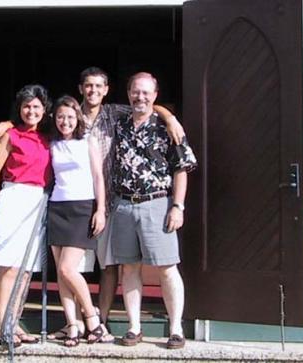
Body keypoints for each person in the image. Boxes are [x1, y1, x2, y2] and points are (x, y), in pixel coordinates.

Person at [0, 67, 185, 341]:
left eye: (98, 87)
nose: (92, 91)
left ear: (106, 90)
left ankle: (98, 320)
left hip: (108, 201)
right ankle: (72, 324)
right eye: (88, 86)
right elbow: (29, 121)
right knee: (61, 268)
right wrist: (6, 125)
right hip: (57, 204)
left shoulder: (116, 113)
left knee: (108, 265)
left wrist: (170, 117)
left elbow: (146, 106)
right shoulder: (66, 115)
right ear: (81, 89)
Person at [111, 72, 197, 349]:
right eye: (136, 91)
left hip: (157, 202)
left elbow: (181, 169)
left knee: (167, 267)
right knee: (129, 268)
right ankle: (134, 327)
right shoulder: (118, 123)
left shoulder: (167, 127)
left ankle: (175, 329)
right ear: (128, 93)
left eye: (146, 92)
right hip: (123, 205)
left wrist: (178, 206)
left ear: (155, 95)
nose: (141, 97)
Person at [0, 84, 52, 347]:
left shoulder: (49, 136)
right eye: (26, 106)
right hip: (13, 198)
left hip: (38, 201)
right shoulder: (11, 135)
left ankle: (14, 320)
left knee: (25, 271)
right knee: (9, 266)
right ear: (19, 109)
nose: (31, 111)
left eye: (36, 106)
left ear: (44, 110)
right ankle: (2, 325)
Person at [47, 95, 107, 346]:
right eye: (60, 117)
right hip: (56, 207)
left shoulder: (87, 142)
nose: (65, 121)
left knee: (67, 268)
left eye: (70, 117)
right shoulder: (51, 143)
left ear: (78, 118)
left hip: (82, 207)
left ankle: (92, 319)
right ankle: (73, 324)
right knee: (61, 274)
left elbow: (97, 176)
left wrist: (100, 209)